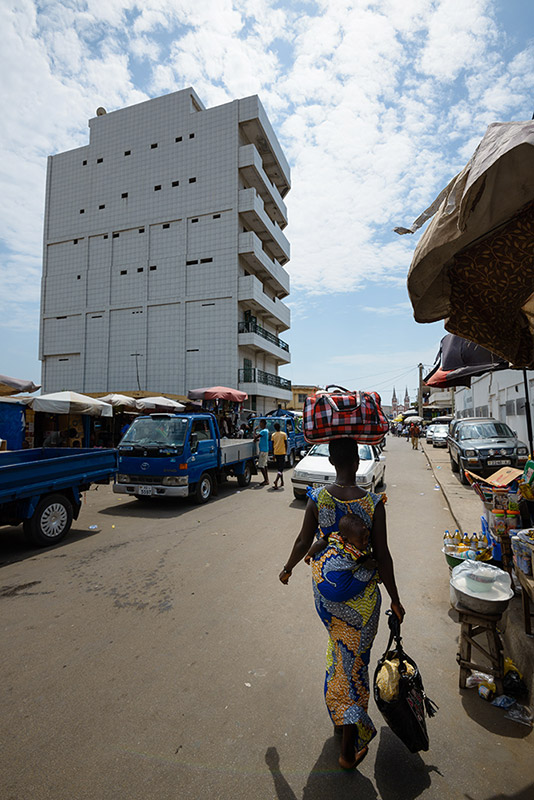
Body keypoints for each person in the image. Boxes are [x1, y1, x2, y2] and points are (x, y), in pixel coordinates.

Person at [279, 437, 405, 770]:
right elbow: (383, 556)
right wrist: (395, 598)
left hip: (328, 600)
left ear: (333, 462)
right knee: (355, 666)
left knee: (338, 655)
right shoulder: (373, 503)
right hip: (363, 606)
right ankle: (349, 750)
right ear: (358, 461)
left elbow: (304, 541)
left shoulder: (318, 498)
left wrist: (288, 567)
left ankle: (341, 716)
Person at [253, 419, 270, 486]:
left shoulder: (263, 431)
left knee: (261, 466)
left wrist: (254, 430)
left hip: (263, 451)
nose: (260, 425)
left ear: (264, 424)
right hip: (265, 450)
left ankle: (266, 480)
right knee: (265, 465)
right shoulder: (266, 431)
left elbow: (256, 437)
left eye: (261, 424)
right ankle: (267, 479)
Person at [272, 422, 287, 490]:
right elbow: (286, 443)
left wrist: (273, 454)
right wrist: (286, 451)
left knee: (279, 468)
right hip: (282, 452)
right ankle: (276, 481)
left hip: (276, 453)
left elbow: (272, 445)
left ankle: (282, 481)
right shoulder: (284, 434)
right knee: (281, 469)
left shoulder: (273, 435)